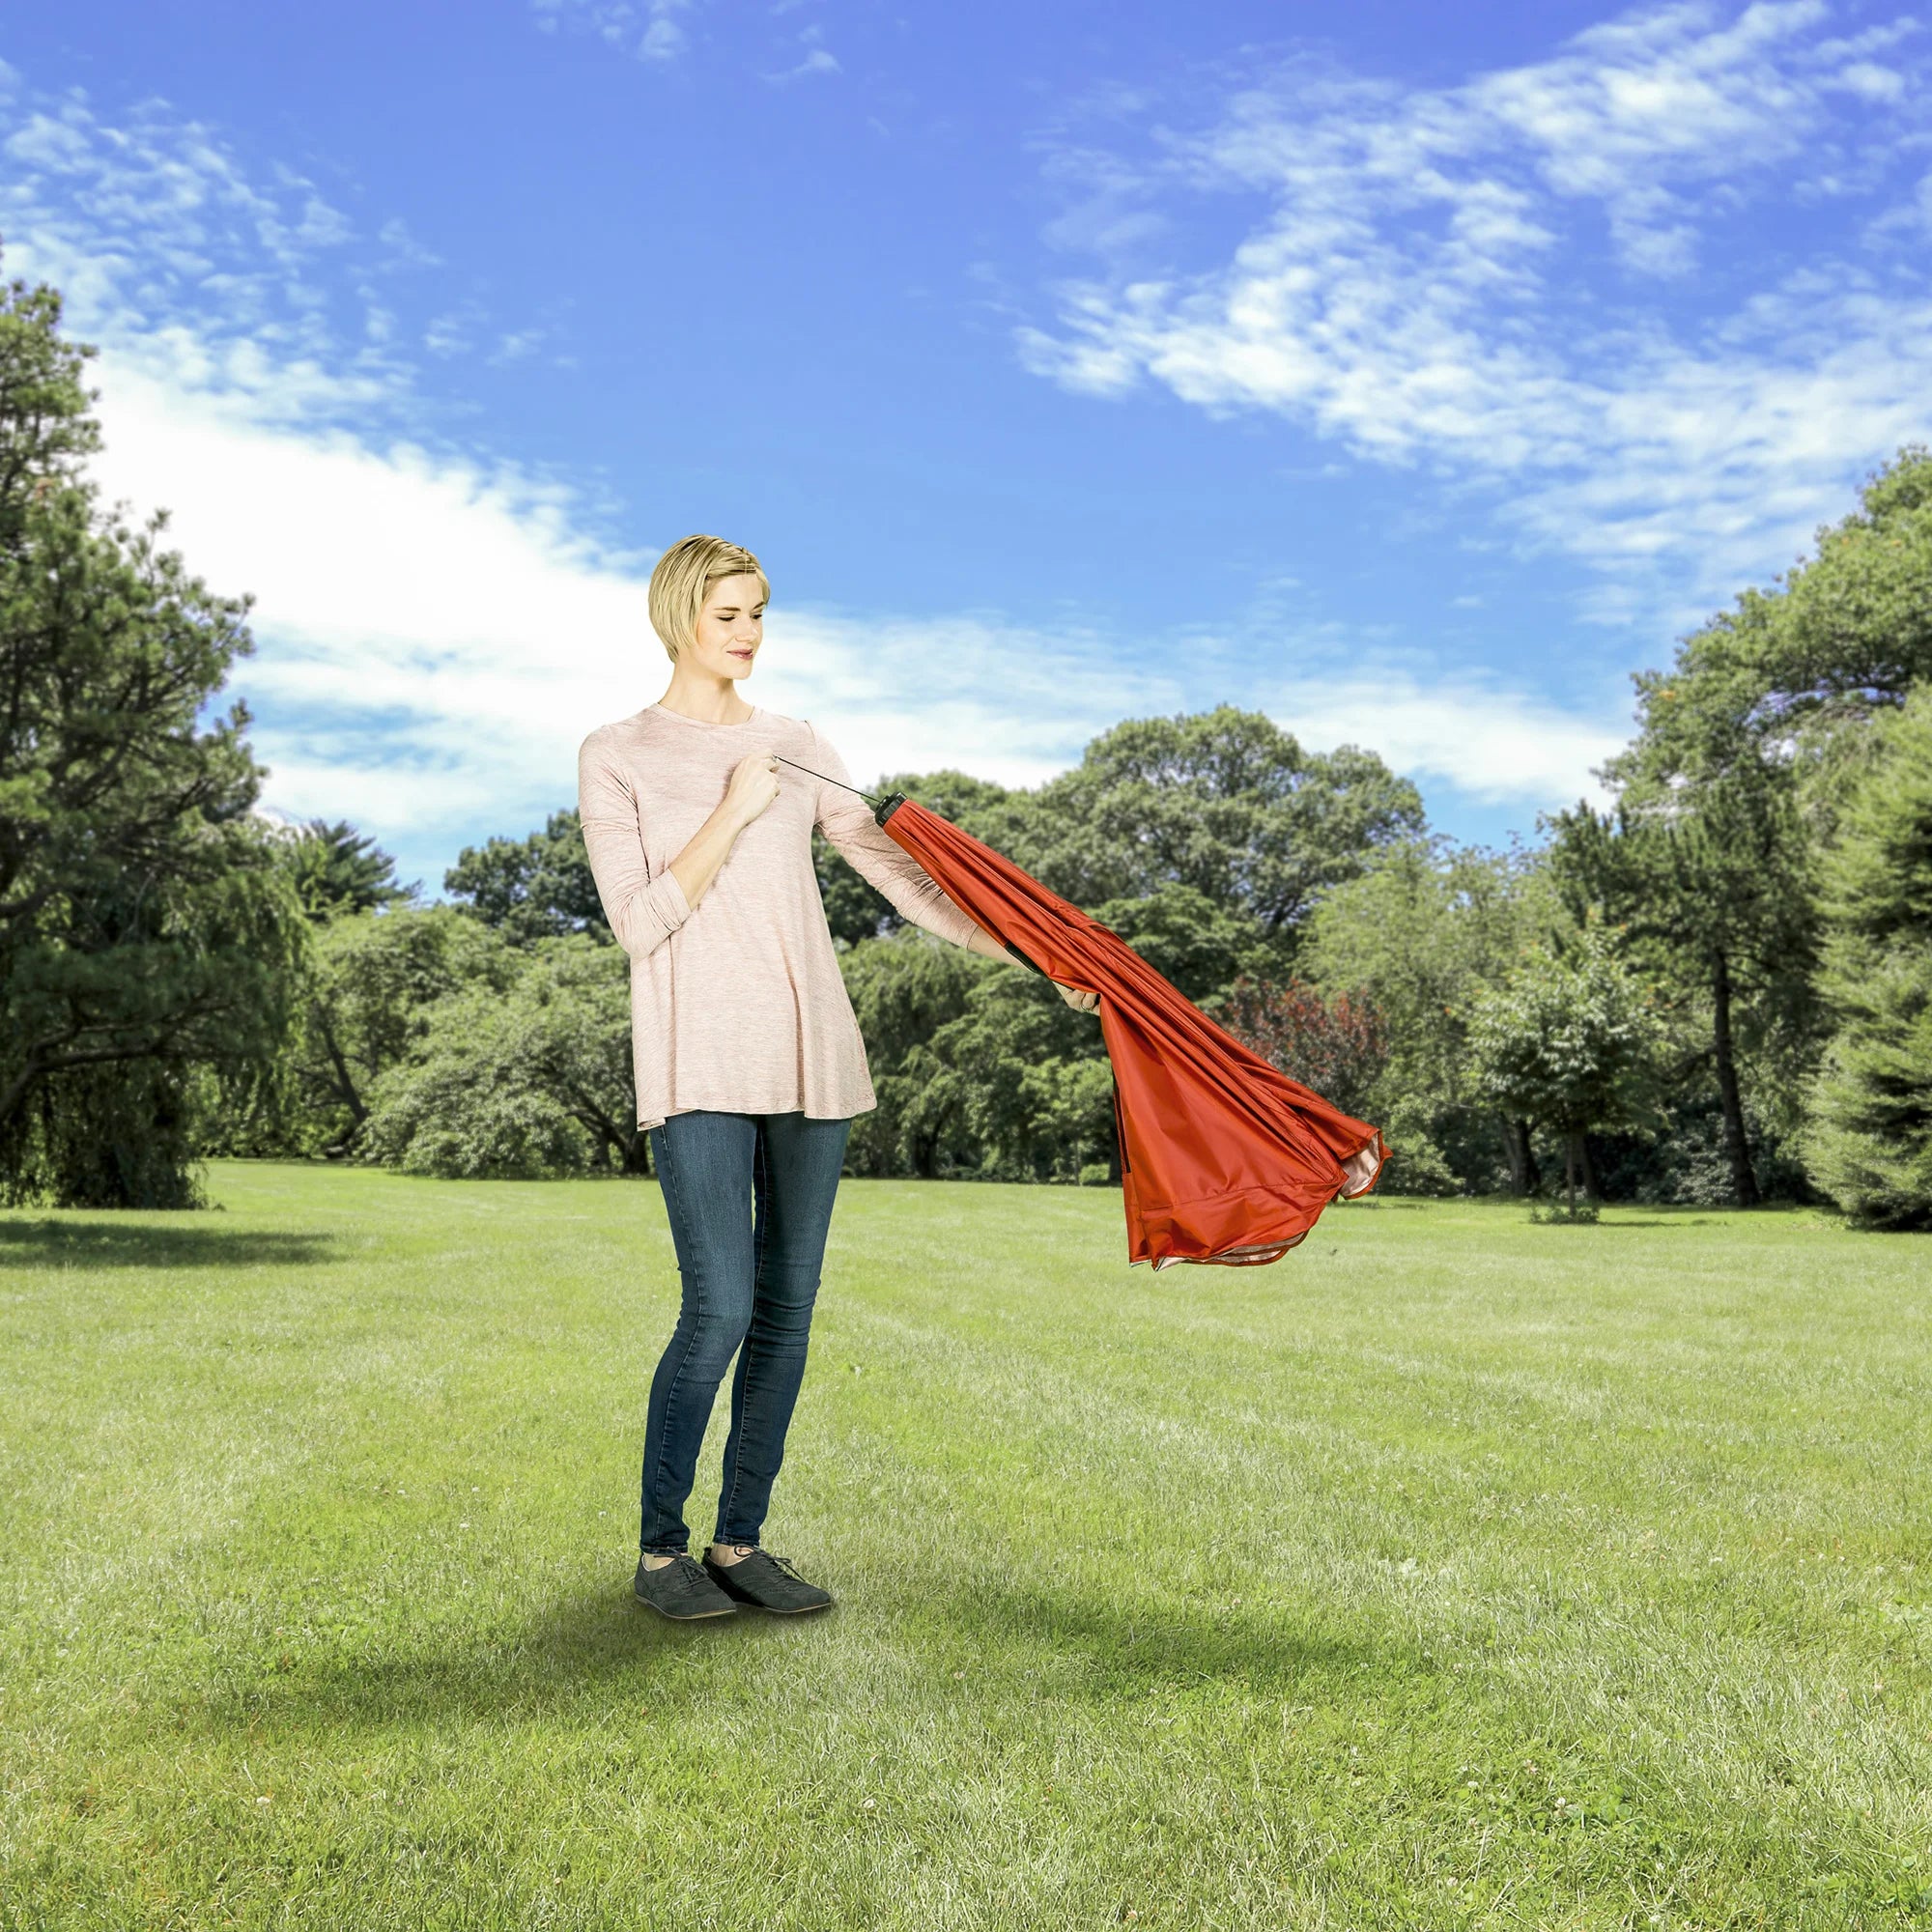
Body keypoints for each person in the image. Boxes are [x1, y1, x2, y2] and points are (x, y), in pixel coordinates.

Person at [579, 535, 1099, 1621]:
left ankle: (738, 1542)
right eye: (730, 614)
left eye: (760, 612)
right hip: (696, 1060)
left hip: (812, 1054)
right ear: (680, 614)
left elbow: (900, 881)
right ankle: (661, 1552)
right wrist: (730, 807)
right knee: (717, 1304)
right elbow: (637, 924)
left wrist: (1038, 958)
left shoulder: (800, 742)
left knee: (786, 1309)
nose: (751, 634)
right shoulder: (615, 752)